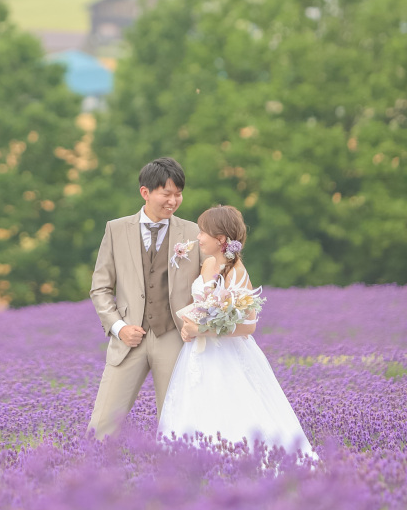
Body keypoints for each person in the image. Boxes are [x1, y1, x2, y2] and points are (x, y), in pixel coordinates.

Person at [158, 204, 313, 454]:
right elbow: (201, 305)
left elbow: (248, 325)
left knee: (230, 411)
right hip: (197, 354)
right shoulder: (208, 264)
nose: (198, 237)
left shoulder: (237, 272)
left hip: (226, 354)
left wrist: (201, 330)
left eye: (203, 232)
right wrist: (189, 326)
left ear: (220, 239)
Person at [88, 157, 202, 439]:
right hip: (128, 339)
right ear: (145, 192)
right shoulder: (116, 229)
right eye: (167, 193)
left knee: (176, 426)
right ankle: (92, 467)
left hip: (175, 338)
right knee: (102, 425)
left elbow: (209, 284)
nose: (173, 201)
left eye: (178, 194)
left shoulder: (193, 232)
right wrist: (119, 328)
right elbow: (100, 288)